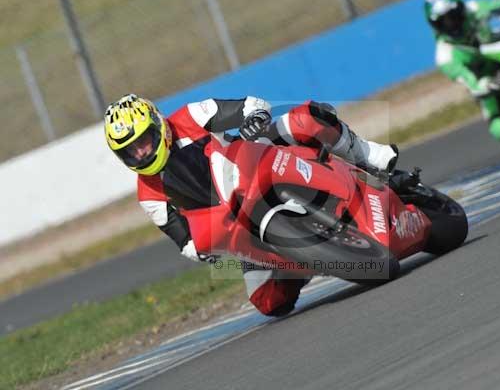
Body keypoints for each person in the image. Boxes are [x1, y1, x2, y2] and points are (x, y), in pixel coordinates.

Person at [104, 94, 400, 316]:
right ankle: (305, 259)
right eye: (130, 151)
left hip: (256, 163)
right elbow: (183, 240)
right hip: (238, 225)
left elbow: (247, 105)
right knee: (267, 301)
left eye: (144, 140)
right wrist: (204, 251)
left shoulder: (191, 116)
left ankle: (370, 158)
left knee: (306, 117)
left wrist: (254, 116)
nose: (141, 152)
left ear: (158, 125)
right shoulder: (149, 194)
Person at [424, 0, 500, 143]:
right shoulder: (445, 56)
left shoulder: (474, 8)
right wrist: (490, 84)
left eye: (454, 16)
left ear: (461, 9)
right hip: (489, 80)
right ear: (436, 26)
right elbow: (471, 83)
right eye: (444, 22)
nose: (452, 24)